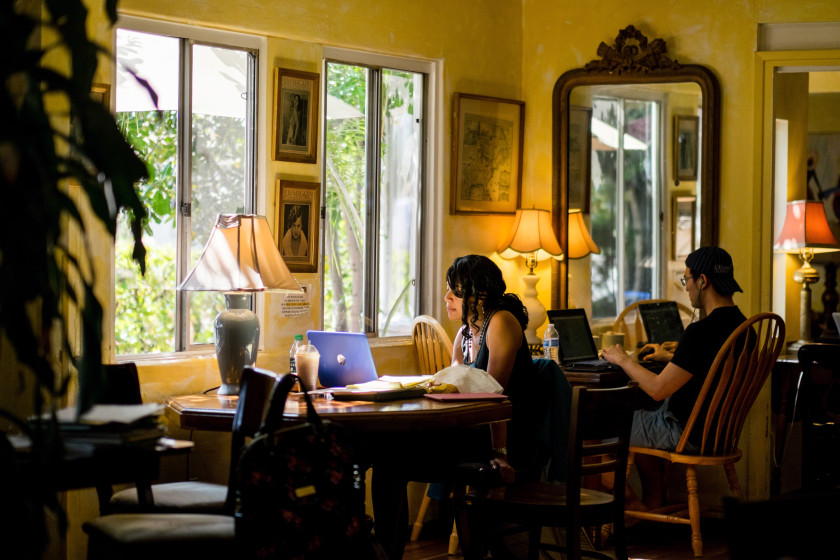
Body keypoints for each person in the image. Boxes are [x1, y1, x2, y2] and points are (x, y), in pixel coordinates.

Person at [601, 246, 747, 506]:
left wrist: (620, 358)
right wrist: (672, 359)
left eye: (687, 279)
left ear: (703, 281)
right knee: (644, 412)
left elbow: (658, 389)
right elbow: (714, 364)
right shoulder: (744, 327)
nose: (687, 287)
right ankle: (654, 501)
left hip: (685, 434)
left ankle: (626, 506)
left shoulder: (700, 331)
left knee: (600, 426)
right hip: (720, 434)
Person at [445, 254, 540, 483]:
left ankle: (447, 513)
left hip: (509, 434)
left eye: (455, 291)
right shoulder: (464, 334)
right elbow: (453, 388)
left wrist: (500, 454)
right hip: (477, 427)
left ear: (481, 295)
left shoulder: (501, 322)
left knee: (409, 452)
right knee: (393, 455)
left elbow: (495, 398)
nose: (446, 297)